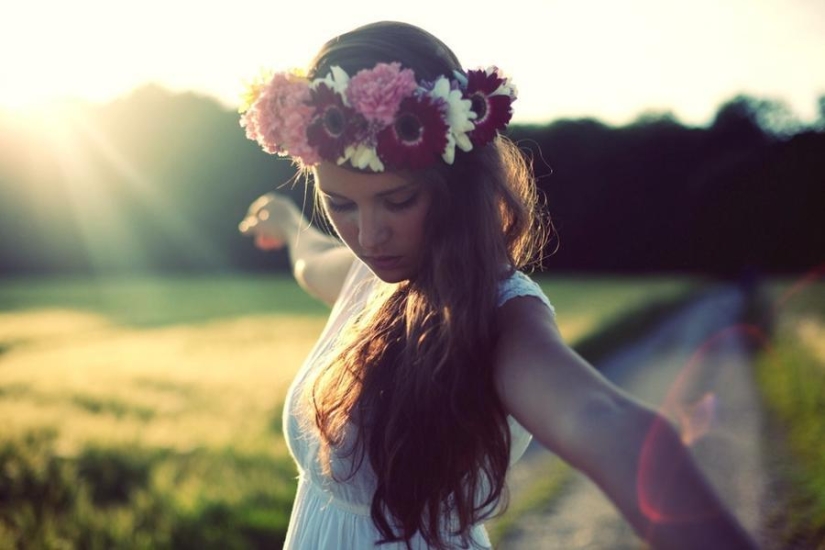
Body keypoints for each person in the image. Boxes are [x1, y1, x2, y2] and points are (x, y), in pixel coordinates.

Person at [237, 21, 757, 550]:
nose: (367, 236)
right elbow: (310, 260)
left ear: (455, 185)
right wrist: (284, 220)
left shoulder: (500, 316)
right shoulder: (362, 277)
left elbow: (606, 419)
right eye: (340, 203)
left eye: (398, 201)